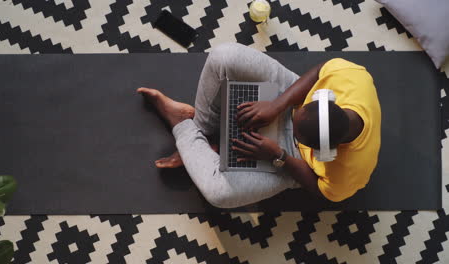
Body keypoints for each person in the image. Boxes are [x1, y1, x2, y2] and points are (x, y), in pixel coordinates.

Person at [137, 43, 381, 208]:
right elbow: (320, 71)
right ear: (324, 99)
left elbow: (319, 189)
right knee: (224, 55)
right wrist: (278, 106)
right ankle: (200, 128)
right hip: (290, 102)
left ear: (322, 152)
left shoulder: (348, 175)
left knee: (219, 194)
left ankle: (183, 126)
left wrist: (279, 155)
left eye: (299, 134)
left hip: (292, 160)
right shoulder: (354, 78)